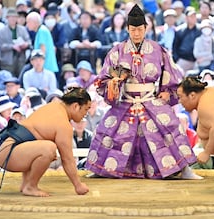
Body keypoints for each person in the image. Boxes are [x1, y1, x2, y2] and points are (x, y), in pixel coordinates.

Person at [85, 4, 201, 180]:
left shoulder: (158, 50)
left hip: (150, 99)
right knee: (108, 127)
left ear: (146, 28)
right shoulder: (117, 51)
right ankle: (101, 169)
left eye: (140, 29)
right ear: (127, 29)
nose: (137, 33)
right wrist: (113, 84)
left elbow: (171, 74)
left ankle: (183, 169)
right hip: (125, 99)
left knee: (170, 125)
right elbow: (103, 79)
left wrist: (167, 92)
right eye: (133, 30)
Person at [0, 87, 91, 197]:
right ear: (76, 106)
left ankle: (26, 184)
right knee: (48, 149)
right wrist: (78, 185)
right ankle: (31, 186)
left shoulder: (53, 106)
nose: (85, 114)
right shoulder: (63, 125)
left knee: (44, 148)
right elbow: (67, 159)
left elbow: (30, 138)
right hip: (9, 153)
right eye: (86, 110)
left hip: (7, 149)